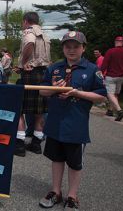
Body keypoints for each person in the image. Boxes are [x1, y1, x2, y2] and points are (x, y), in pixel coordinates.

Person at [38, 31, 106, 211]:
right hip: (55, 122)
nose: (71, 50)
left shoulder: (92, 70)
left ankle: (72, 196)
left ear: (84, 48)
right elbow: (41, 91)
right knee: (56, 158)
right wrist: (53, 88)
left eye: (76, 46)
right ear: (63, 48)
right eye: (68, 46)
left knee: (75, 163)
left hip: (76, 125)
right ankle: (56, 192)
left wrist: (77, 93)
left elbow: (101, 97)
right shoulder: (54, 68)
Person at [15, 12, 51, 157]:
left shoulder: (29, 32)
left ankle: (19, 145)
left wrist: (23, 63)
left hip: (30, 74)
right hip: (43, 74)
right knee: (39, 112)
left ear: (25, 21)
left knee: (19, 109)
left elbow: (30, 43)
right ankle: (36, 144)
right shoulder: (45, 35)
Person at [101, 36, 123, 121]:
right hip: (121, 77)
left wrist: (101, 73)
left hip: (111, 76)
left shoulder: (110, 51)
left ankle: (120, 111)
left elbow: (105, 64)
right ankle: (110, 110)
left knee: (110, 94)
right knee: (115, 94)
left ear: (115, 42)